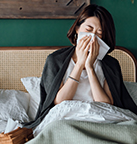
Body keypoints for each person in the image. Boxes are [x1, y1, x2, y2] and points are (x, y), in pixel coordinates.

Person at [23, 4, 137, 132]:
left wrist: (89, 67)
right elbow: (60, 101)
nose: (93, 38)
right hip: (66, 117)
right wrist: (79, 64)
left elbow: (105, 104)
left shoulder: (111, 64)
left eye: (99, 34)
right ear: (77, 29)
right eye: (89, 29)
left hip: (100, 117)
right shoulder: (55, 60)